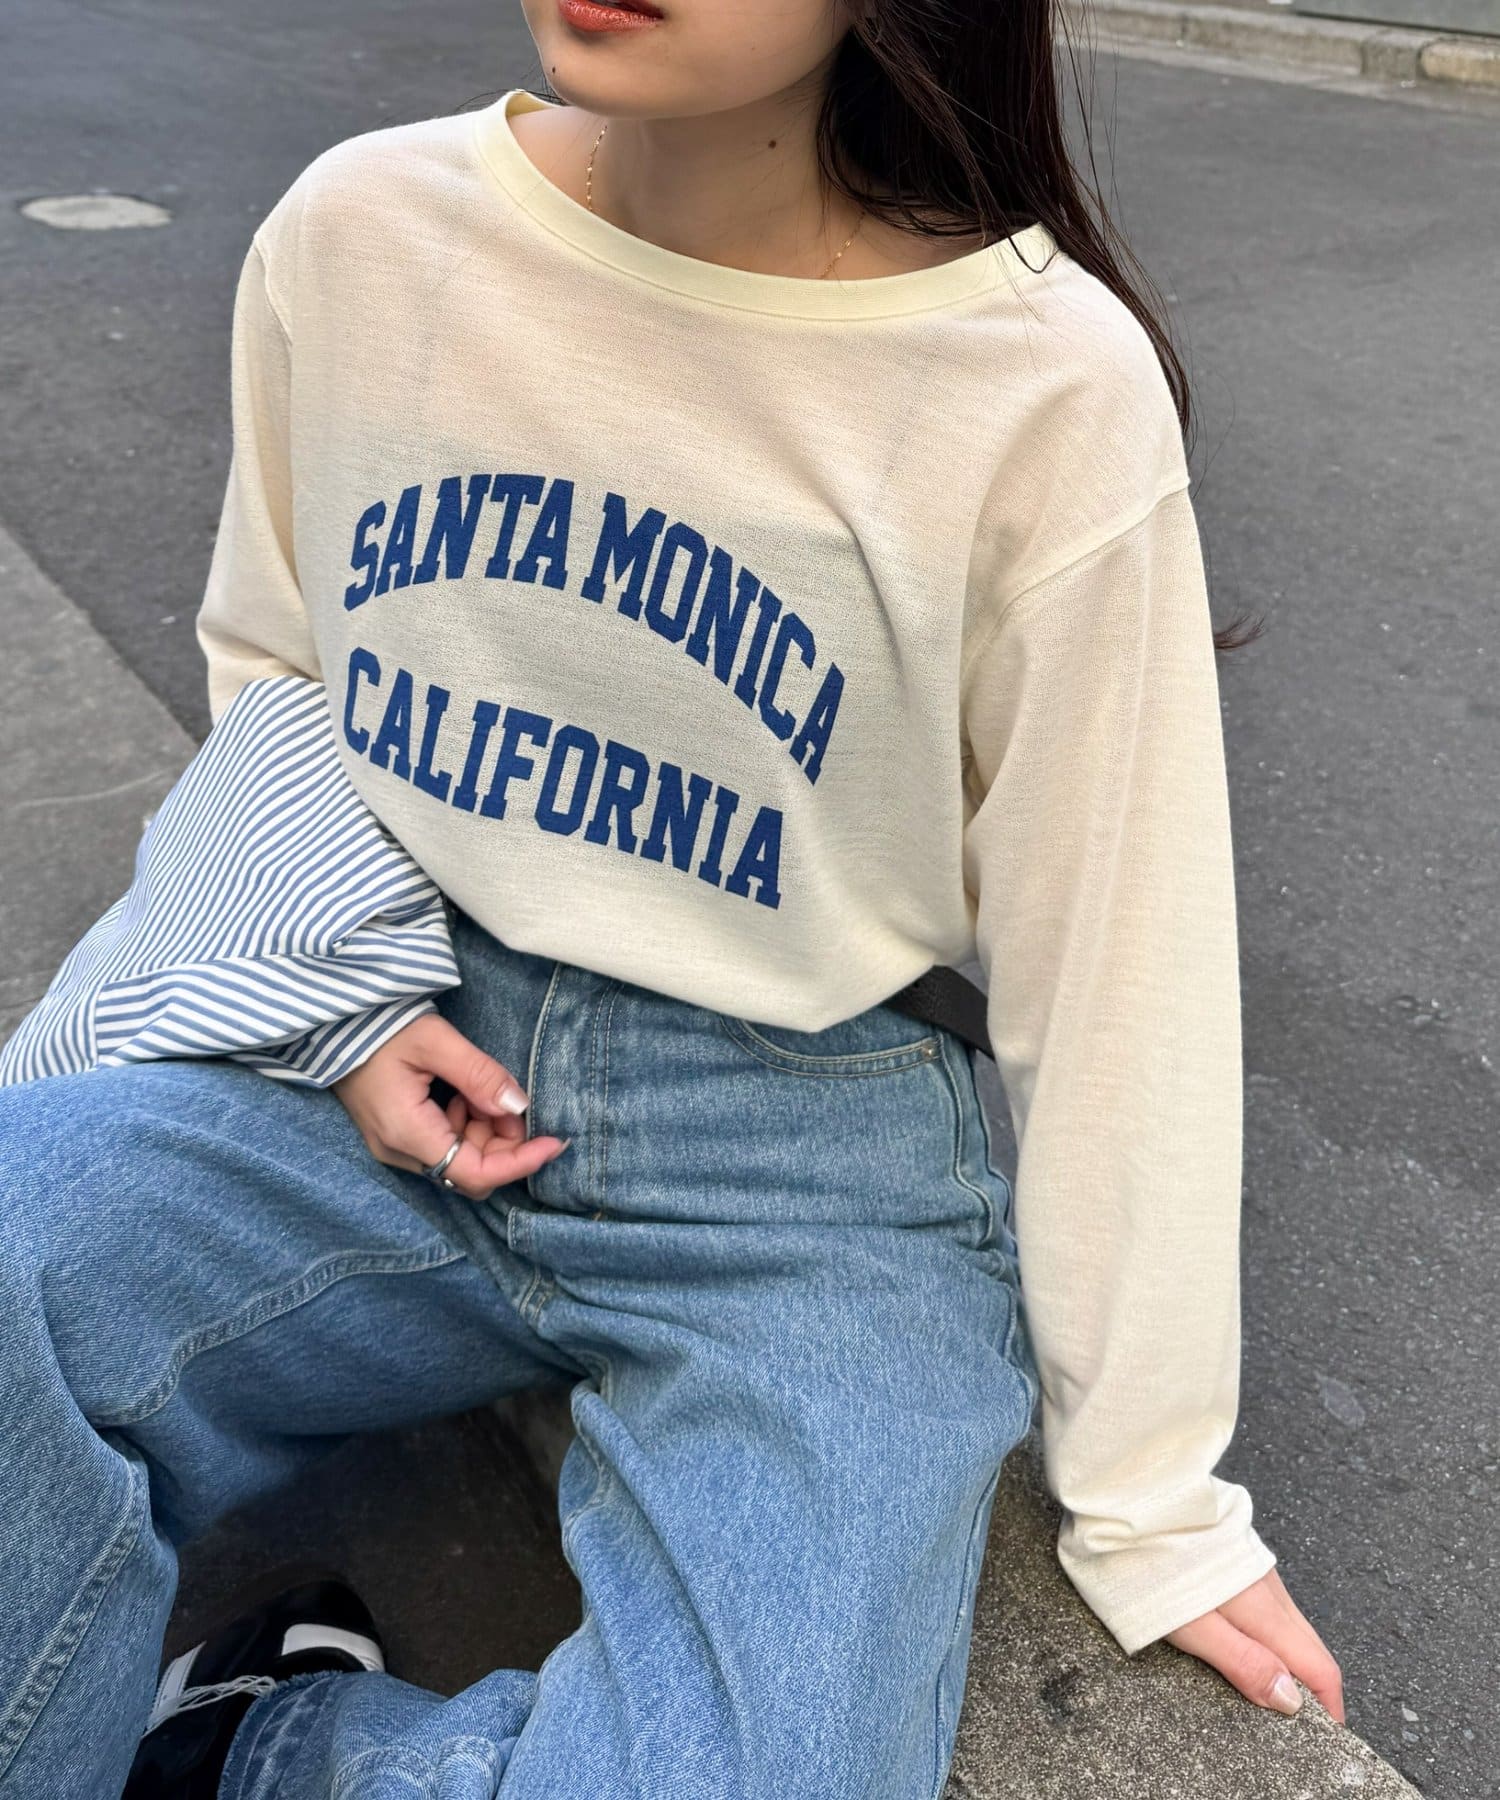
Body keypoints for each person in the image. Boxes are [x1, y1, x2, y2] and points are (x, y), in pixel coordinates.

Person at [0, 0, 1346, 1794]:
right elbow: (283, 671)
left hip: (806, 1168)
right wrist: (345, 1003)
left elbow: (1120, 968)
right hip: (409, 1054)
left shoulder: (1037, 383)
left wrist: (1153, 1499)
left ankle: (266, 1740)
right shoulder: (365, 230)